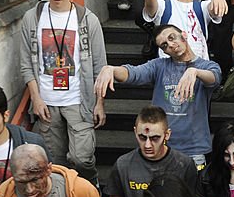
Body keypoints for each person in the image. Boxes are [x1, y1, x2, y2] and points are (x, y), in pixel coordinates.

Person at [18, 0, 107, 184]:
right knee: (56, 161)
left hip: (79, 100)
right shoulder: (33, 18)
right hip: (47, 102)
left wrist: (99, 103)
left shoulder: (88, 20)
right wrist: (36, 99)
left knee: (82, 157)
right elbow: (25, 64)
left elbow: (100, 66)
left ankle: (90, 187)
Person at [94, 23, 221, 167]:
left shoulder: (207, 66)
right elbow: (133, 74)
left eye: (172, 38)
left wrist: (195, 72)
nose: (171, 45)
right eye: (165, 45)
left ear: (184, 35)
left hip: (194, 149)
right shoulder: (159, 66)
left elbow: (214, 78)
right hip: (161, 147)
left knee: (193, 189)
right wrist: (111, 69)